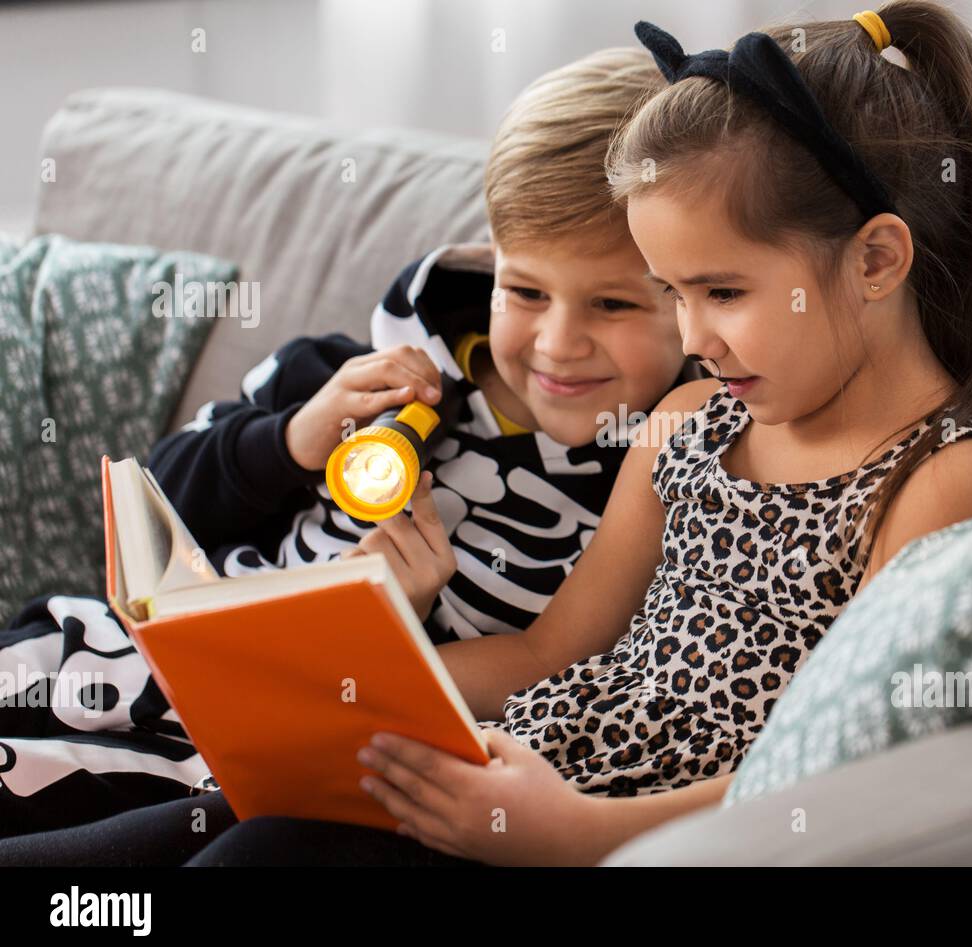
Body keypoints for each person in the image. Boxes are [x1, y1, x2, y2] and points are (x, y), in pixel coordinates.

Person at [0, 1, 972, 865]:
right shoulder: (684, 423)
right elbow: (550, 648)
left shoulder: (944, 477)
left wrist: (574, 832)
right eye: (674, 295)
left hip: (576, 827)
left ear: (874, 261)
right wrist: (340, 688)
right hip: (479, 770)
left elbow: (847, 757)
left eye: (720, 291)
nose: (694, 338)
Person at [0, 46, 691, 837]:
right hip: (125, 656)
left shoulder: (661, 479)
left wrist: (379, 631)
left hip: (265, 749)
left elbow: (556, 676)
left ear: (691, 297)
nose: (558, 344)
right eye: (525, 291)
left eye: (611, 304)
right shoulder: (351, 377)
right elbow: (160, 506)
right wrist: (289, 442)